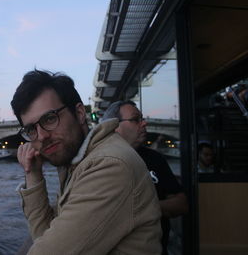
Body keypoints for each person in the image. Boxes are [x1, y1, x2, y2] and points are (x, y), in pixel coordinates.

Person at [11, 70, 162, 255]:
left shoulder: (109, 166)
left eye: (50, 118)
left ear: (80, 113)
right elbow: (44, 236)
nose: (41, 136)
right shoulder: (76, 163)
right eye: (31, 129)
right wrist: (33, 174)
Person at [101, 100, 188, 255]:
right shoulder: (100, 162)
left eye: (142, 119)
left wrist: (141, 208)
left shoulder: (155, 159)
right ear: (114, 126)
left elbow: (181, 204)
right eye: (136, 119)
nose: (144, 123)